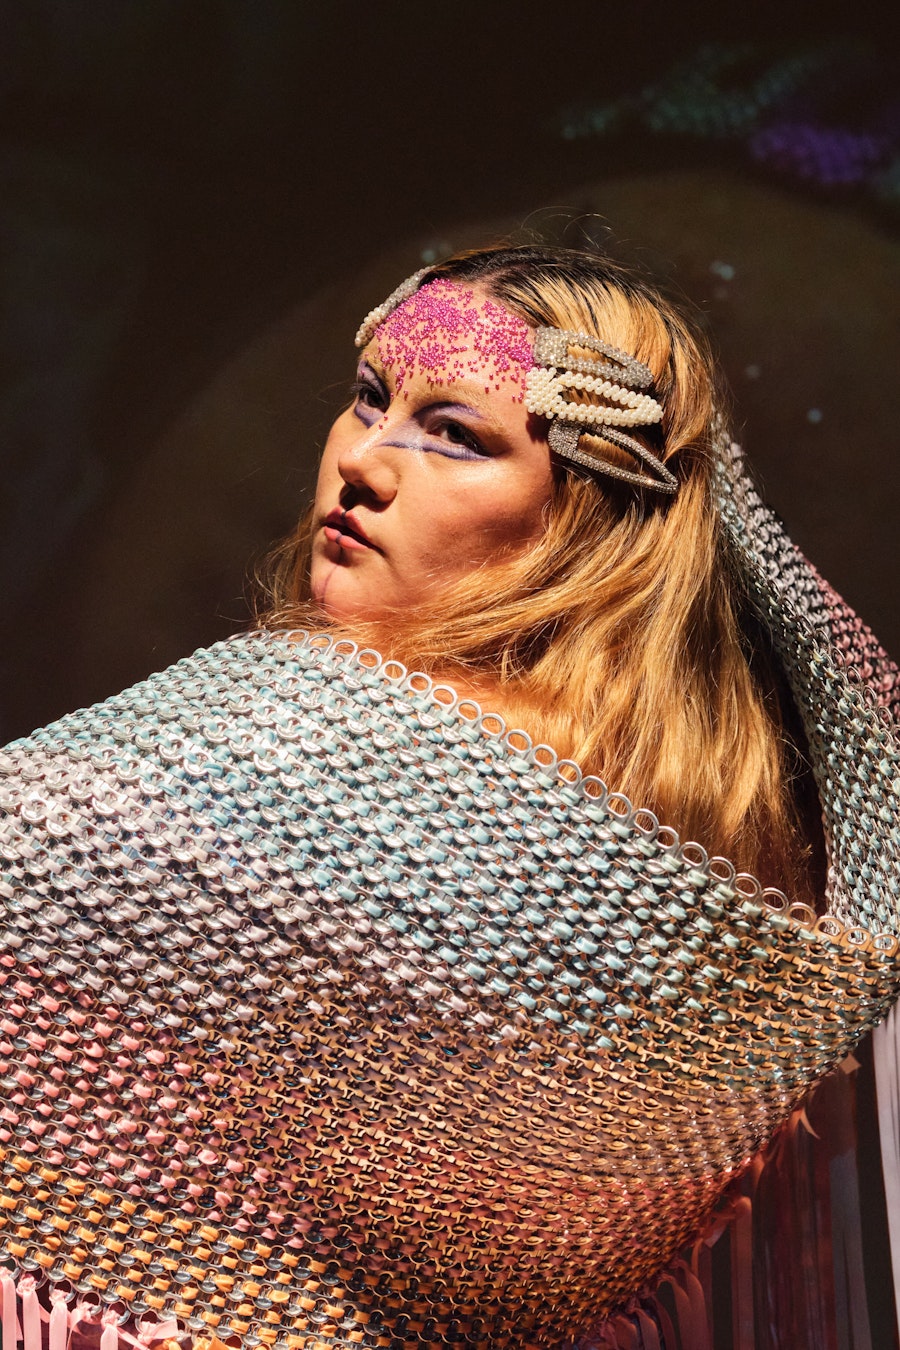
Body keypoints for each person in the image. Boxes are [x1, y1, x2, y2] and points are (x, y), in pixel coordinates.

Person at [0, 244, 897, 1350]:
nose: (364, 461)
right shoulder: (721, 863)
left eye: (457, 434)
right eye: (369, 396)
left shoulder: (291, 728)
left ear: (586, 514)